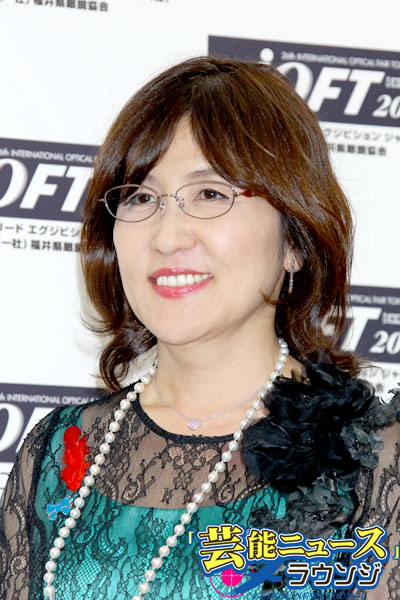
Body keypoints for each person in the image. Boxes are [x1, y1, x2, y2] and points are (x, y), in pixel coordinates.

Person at [0, 56, 399, 600]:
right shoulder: (55, 451)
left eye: (210, 194)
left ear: (294, 241)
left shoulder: (372, 462)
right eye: (141, 197)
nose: (167, 237)